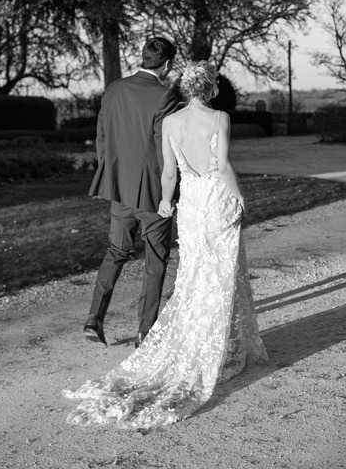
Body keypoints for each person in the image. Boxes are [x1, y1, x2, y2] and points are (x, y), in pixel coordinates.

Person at [64, 60, 267, 428]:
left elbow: (169, 171)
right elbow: (222, 166)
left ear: (186, 87)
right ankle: (223, 345)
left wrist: (165, 201)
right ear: (210, 88)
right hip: (214, 200)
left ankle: (196, 342)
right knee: (222, 272)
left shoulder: (171, 121)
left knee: (192, 273)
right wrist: (240, 198)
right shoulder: (219, 118)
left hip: (188, 202)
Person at [83, 36, 180, 348]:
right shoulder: (166, 96)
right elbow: (164, 148)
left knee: (116, 252)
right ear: (168, 64)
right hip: (153, 192)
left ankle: (93, 320)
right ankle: (145, 332)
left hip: (120, 189)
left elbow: (101, 136)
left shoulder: (114, 89)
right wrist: (170, 193)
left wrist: (111, 172)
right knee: (156, 260)